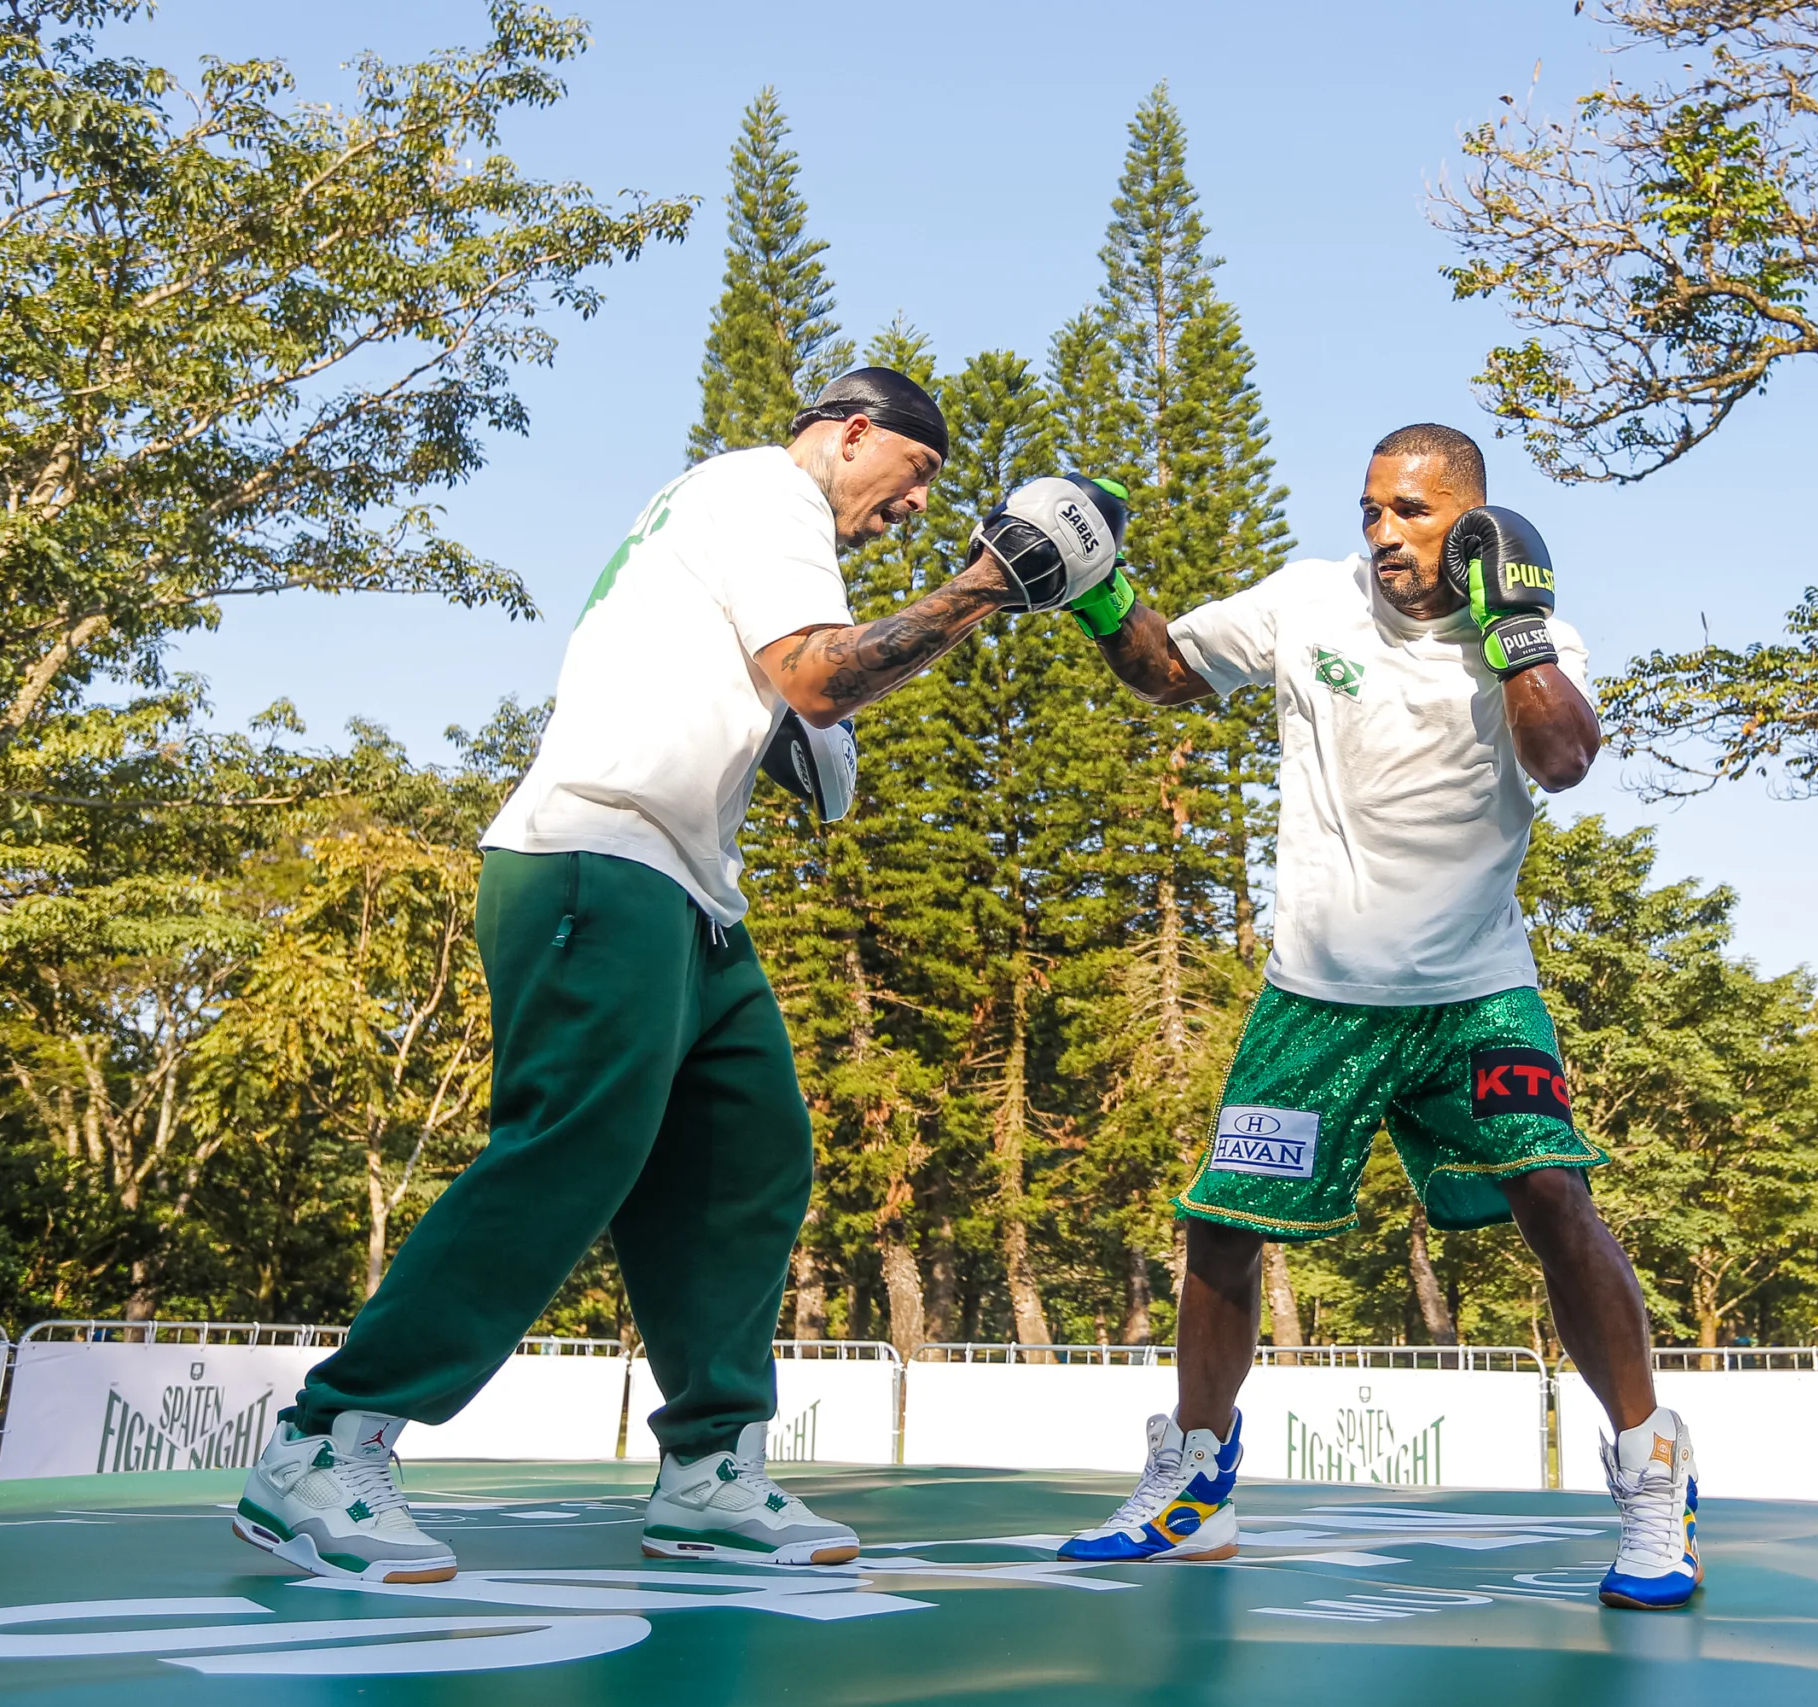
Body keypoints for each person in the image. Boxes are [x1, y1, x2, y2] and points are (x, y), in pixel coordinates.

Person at [232, 367, 1130, 1584]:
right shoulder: (765, 489)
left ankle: (710, 1472)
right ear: (854, 432)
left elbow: (785, 692)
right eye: (915, 474)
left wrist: (788, 734)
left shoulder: (729, 512)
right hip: (597, 859)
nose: (913, 507)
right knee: (570, 1148)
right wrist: (989, 583)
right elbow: (820, 669)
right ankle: (325, 1445)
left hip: (688, 887)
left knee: (748, 1159)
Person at [1054, 423, 1701, 1610]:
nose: (1383, 534)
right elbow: (1163, 671)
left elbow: (1562, 759)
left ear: (1470, 518)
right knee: (1222, 1229)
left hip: (1476, 997)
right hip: (1317, 997)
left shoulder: (1541, 640)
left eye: (1409, 511)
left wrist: (1512, 638)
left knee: (1557, 1198)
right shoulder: (1309, 603)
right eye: (1370, 510)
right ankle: (1194, 1484)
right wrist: (1098, 592)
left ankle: (1652, 1470)